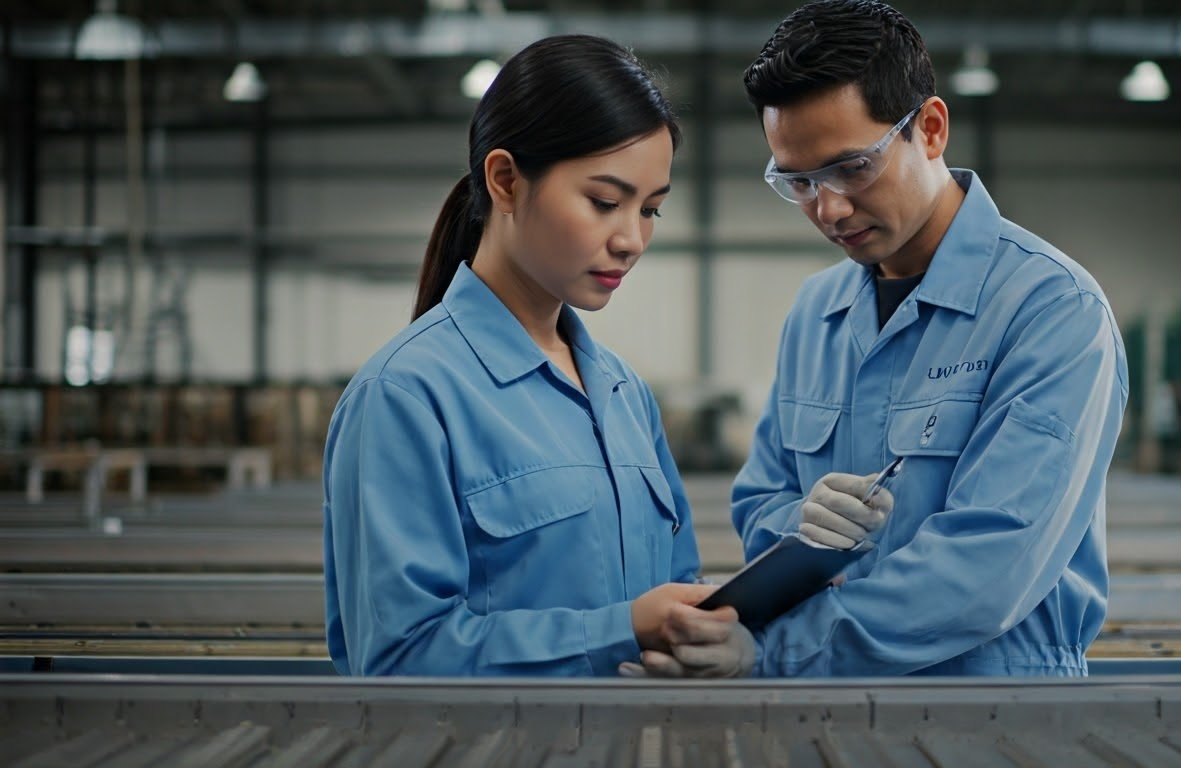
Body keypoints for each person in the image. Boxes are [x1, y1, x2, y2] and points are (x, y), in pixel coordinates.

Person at [633, 0, 1127, 678]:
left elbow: (991, 564)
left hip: (995, 714)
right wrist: (799, 522)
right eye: (798, 181)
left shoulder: (1049, 311)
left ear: (929, 128)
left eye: (852, 167)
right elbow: (758, 503)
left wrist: (779, 650)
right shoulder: (817, 312)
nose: (829, 208)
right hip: (821, 712)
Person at [323, 34, 735, 676]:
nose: (631, 239)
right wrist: (622, 630)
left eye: (650, 209)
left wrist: (711, 638)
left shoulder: (625, 394)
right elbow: (398, 659)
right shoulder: (406, 397)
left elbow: (675, 590)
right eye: (604, 202)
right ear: (507, 181)